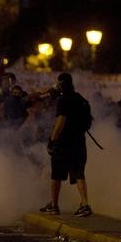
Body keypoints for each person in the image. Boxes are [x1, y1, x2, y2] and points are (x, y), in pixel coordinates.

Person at [40, 73, 93, 217]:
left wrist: (52, 139)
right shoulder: (80, 98)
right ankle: (85, 204)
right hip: (79, 141)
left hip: (63, 143)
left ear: (61, 84)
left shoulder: (64, 99)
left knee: (56, 175)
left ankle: (54, 205)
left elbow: (61, 121)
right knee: (78, 173)